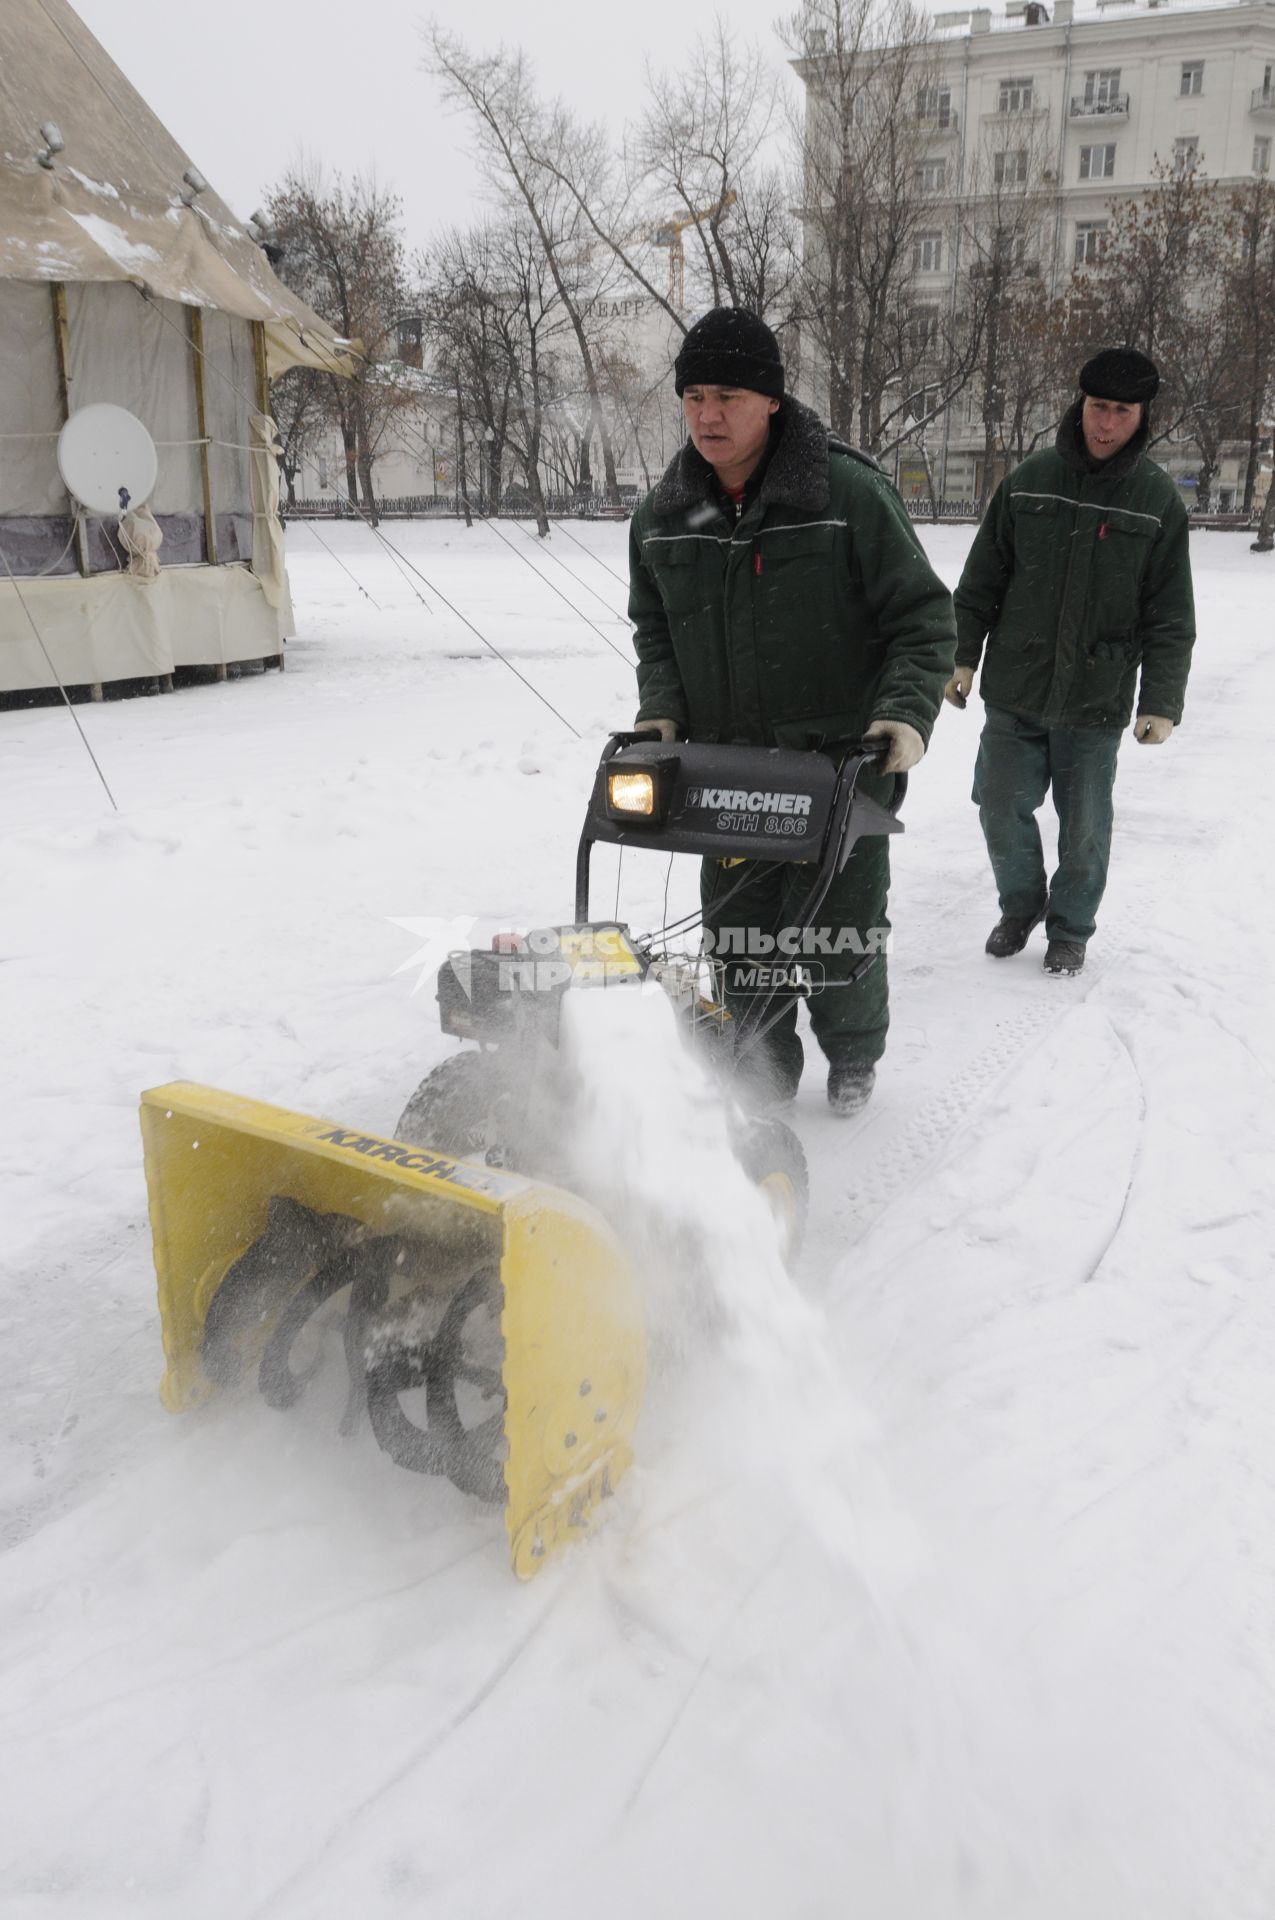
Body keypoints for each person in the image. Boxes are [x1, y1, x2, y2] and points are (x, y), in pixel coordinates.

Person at [628, 306, 956, 1115]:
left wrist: (901, 719)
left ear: (771, 399)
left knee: (836, 937)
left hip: (839, 767)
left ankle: (852, 1054)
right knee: (740, 942)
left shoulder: (844, 494)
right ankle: (760, 1075)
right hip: (725, 776)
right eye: (694, 395)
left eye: (729, 395)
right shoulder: (662, 518)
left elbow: (921, 617)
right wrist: (661, 712)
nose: (708, 414)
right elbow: (656, 631)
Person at [947, 347, 1195, 977]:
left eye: (1121, 411)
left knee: (1084, 827)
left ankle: (1071, 928)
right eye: (1097, 407)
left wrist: (1161, 702)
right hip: (1017, 682)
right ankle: (1022, 905)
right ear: (1080, 405)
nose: (1105, 423)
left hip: (1095, 693)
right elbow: (980, 582)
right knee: (998, 802)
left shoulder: (1156, 499)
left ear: (1141, 417)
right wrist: (960, 657)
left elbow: (1170, 615)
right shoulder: (1029, 480)